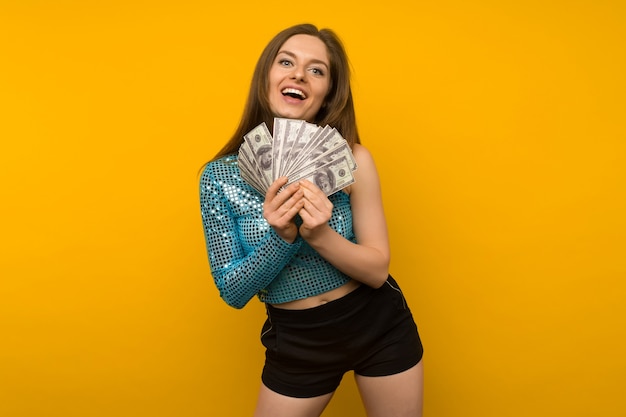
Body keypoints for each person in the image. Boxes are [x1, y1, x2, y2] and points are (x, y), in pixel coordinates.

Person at [199, 23, 424, 417]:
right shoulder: (218, 177)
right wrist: (281, 237)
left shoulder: (355, 160)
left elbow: (376, 270)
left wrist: (319, 235)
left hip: (378, 323)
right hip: (298, 342)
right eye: (286, 62)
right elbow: (232, 292)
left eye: (316, 70)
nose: (299, 74)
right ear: (266, 77)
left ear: (326, 95)